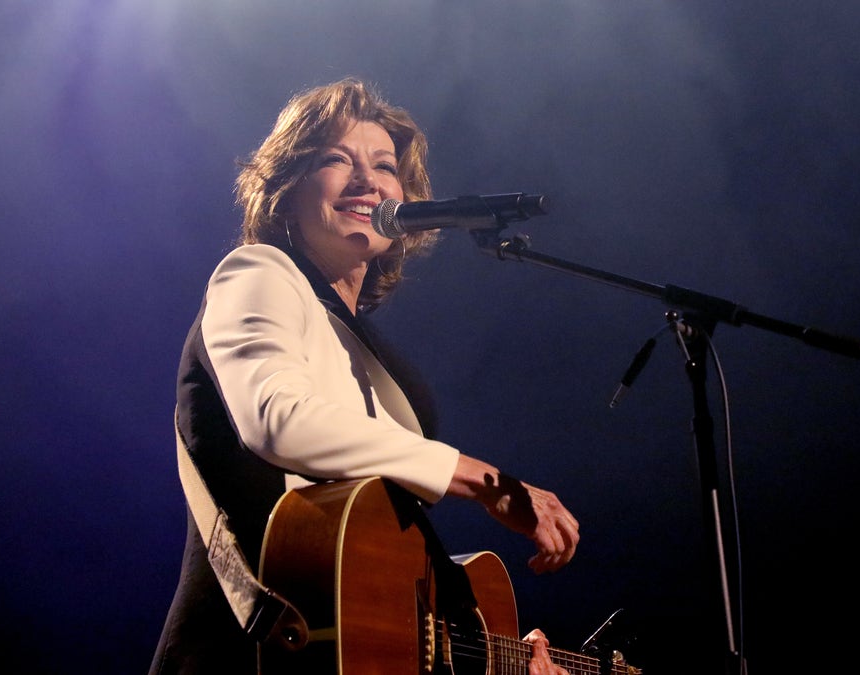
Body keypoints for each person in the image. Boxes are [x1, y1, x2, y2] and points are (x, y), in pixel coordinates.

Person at [149, 78, 579, 674]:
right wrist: (484, 480)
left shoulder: (368, 353)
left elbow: (381, 597)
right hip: (242, 657)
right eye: (335, 159)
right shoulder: (257, 272)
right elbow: (279, 419)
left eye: (384, 166)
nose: (368, 181)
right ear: (285, 190)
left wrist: (496, 657)